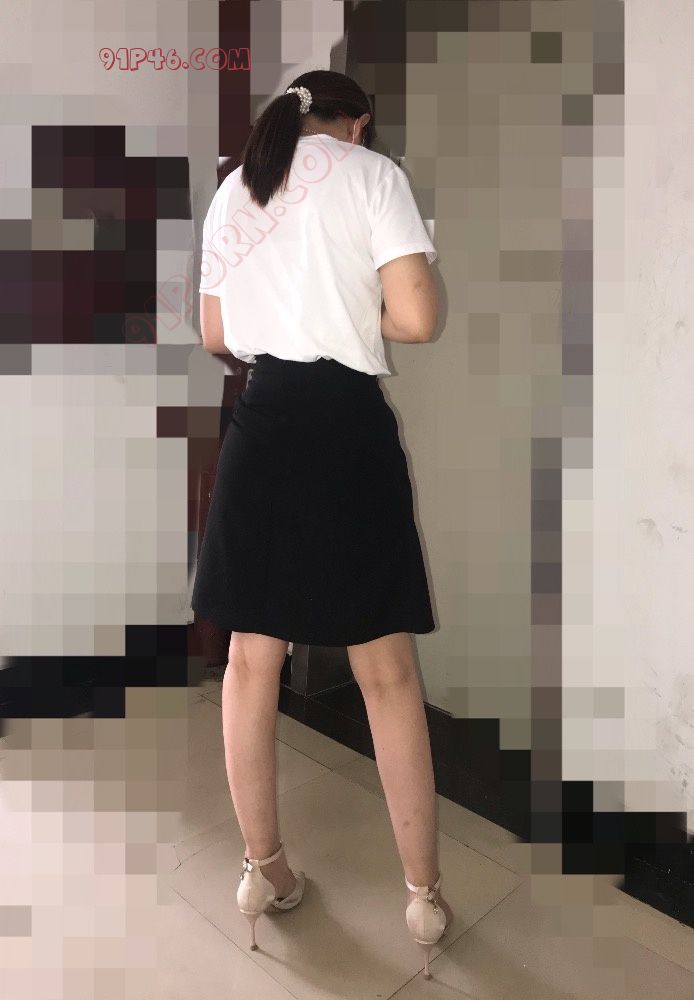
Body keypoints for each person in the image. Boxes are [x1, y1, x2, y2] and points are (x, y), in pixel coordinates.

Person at [191, 68, 453, 977]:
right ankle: (422, 895)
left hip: (262, 422)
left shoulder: (237, 185)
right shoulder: (372, 175)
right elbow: (417, 317)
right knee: (386, 671)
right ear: (358, 123)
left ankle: (263, 872)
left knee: (248, 661)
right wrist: (350, 298)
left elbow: (215, 333)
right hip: (345, 426)